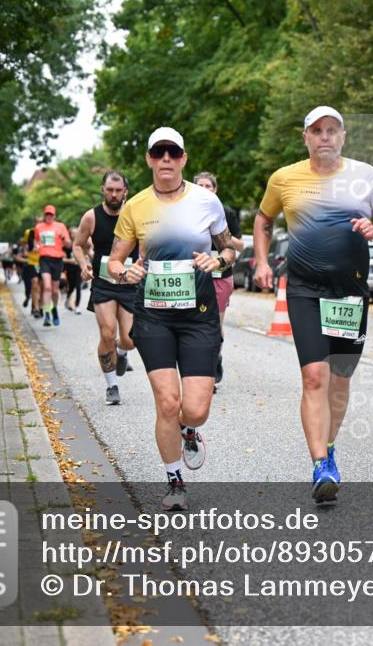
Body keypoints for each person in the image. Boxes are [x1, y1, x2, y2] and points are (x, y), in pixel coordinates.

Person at [253, 106, 373, 502]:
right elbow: (263, 219)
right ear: (305, 137)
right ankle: (321, 464)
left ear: (343, 136)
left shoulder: (364, 175)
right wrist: (263, 261)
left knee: (339, 378)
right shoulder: (284, 178)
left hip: (350, 292)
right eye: (317, 130)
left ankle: (329, 446)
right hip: (304, 289)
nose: (324, 136)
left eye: (331, 130)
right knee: (314, 377)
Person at [107, 127, 236, 511]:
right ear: (149, 159)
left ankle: (189, 429)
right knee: (167, 402)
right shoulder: (136, 206)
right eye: (158, 152)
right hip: (153, 316)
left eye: (173, 153)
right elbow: (115, 260)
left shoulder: (206, 202)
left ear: (183, 158)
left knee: (194, 408)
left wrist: (219, 259)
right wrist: (123, 272)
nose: (166, 159)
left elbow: (231, 247)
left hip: (198, 316)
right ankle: (174, 481)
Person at [74, 170, 138, 406]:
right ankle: (112, 385)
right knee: (108, 333)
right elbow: (78, 245)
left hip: (129, 281)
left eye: (118, 190)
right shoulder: (91, 217)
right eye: (109, 190)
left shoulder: (135, 214)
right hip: (102, 282)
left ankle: (122, 353)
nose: (113, 194)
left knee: (130, 339)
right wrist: (83, 265)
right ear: (103, 189)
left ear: (125, 192)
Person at [193, 171, 244, 390]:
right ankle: (199, 369)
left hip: (221, 275)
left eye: (209, 186)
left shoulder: (227, 213)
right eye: (200, 186)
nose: (205, 189)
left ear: (215, 190)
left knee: (215, 323)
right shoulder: (185, 212)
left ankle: (213, 364)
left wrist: (218, 229)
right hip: (194, 274)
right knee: (195, 323)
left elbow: (240, 246)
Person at [34, 205, 71, 327]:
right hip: (44, 259)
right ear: (44, 216)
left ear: (54, 216)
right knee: (47, 287)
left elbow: (69, 245)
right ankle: (47, 314)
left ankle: (54, 309)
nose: (49, 216)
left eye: (51, 215)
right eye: (47, 214)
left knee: (55, 290)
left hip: (57, 260)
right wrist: (37, 247)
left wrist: (63, 237)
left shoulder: (61, 227)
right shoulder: (39, 227)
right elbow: (37, 241)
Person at [63, 227, 83, 313]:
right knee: (71, 287)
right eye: (72, 233)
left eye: (76, 232)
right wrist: (71, 260)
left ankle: (77, 306)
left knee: (78, 286)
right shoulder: (66, 246)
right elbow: (62, 259)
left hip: (79, 268)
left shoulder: (81, 243)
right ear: (69, 234)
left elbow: (85, 254)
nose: (74, 234)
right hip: (69, 268)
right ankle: (67, 300)